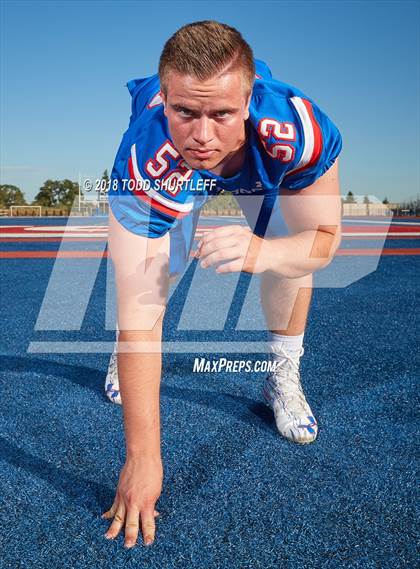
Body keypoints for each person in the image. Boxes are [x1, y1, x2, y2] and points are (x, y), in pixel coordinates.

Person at [102, 20, 342, 548]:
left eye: (221, 113)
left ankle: (282, 373)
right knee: (153, 275)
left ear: (250, 99)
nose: (203, 134)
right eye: (185, 111)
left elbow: (325, 240)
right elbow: (142, 309)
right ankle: (120, 357)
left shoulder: (294, 127)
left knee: (291, 256)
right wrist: (143, 457)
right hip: (170, 174)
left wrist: (265, 252)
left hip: (257, 160)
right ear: (164, 99)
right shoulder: (145, 158)